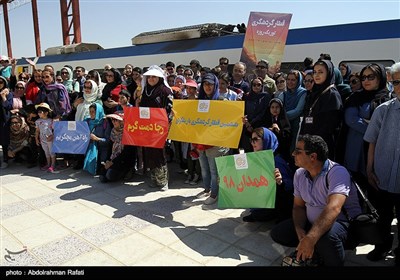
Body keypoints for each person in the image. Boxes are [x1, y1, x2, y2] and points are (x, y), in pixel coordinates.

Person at [270, 134, 362, 266]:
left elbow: (333, 209)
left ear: (312, 156)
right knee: (279, 233)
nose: (292, 154)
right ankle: (315, 253)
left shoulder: (337, 172)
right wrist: (300, 231)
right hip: (314, 222)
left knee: (327, 239)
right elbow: (298, 207)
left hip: (342, 223)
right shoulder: (300, 174)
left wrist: (310, 238)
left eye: (297, 151)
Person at [363, 62, 400, 265]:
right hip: (383, 176)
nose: (397, 86)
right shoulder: (383, 111)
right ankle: (382, 245)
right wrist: (369, 168)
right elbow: (372, 141)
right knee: (383, 217)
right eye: (395, 83)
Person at [242, 127, 294, 223]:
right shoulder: (256, 158)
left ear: (266, 140)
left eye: (255, 140)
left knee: (260, 215)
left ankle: (277, 216)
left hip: (277, 201)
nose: (252, 143)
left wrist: (280, 181)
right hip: (263, 197)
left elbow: (290, 186)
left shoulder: (276, 161)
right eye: (251, 140)